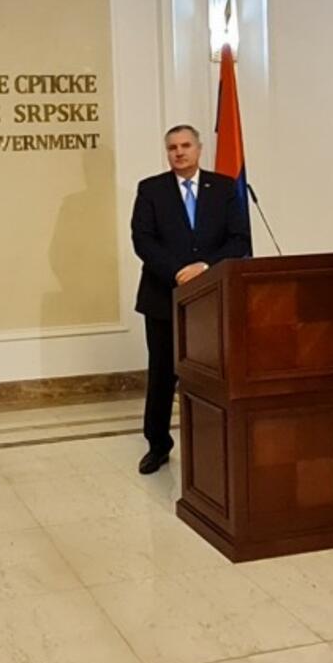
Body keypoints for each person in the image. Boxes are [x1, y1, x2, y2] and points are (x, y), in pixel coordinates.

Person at [130, 124, 251, 474]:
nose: (179, 152)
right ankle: (157, 445)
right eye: (172, 148)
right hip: (162, 297)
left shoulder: (224, 188)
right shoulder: (151, 189)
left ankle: (212, 440)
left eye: (185, 145)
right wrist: (177, 271)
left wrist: (204, 267)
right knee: (162, 374)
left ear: (199, 149)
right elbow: (143, 240)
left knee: (212, 373)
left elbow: (239, 239)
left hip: (213, 298)